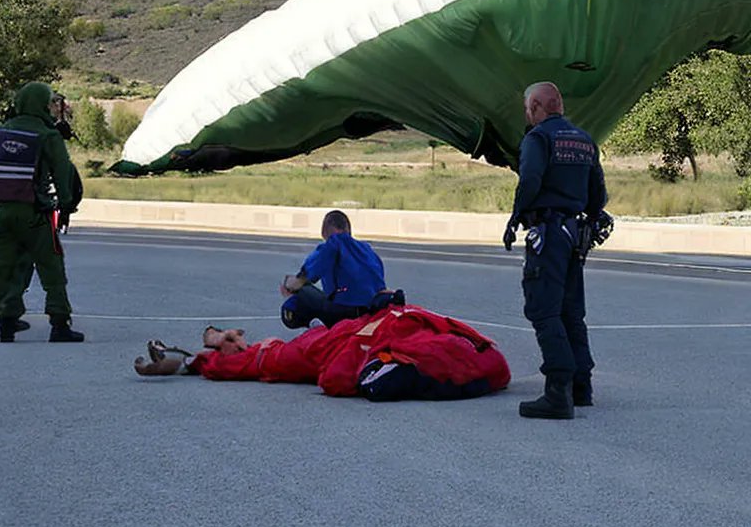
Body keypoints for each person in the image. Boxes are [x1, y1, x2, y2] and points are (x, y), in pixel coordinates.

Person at [133, 303, 512, 401]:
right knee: (268, 357)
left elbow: (336, 379)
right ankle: (202, 356)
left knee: (270, 354)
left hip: (345, 333)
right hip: (340, 340)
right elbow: (336, 380)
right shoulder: (478, 356)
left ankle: (208, 351)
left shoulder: (423, 326)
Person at [503, 81, 609, 419]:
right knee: (571, 311)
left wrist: (515, 217)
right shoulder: (584, 140)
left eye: (527, 109)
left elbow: (530, 179)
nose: (527, 115)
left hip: (548, 234)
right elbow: (599, 195)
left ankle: (557, 391)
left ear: (536, 106)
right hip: (575, 235)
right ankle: (582, 388)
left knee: (544, 309)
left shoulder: (538, 138)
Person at [0, 82, 84, 343]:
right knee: (51, 267)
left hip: (2, 212)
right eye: (51, 102)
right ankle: (60, 323)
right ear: (40, 104)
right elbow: (63, 172)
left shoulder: (0, 133)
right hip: (35, 214)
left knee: (2, 268)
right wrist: (66, 204)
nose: (53, 107)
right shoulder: (47, 135)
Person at [279, 209, 401, 329]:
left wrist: (290, 286)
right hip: (371, 310)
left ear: (326, 230)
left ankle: (320, 330)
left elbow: (309, 271)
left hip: (345, 311)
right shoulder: (367, 249)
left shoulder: (334, 243)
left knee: (297, 298)